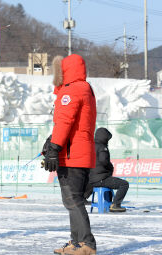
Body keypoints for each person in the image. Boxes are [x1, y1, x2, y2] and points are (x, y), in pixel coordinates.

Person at [44, 54, 97, 255]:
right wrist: (52, 140)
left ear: (64, 72)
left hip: (72, 154)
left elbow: (65, 121)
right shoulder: (85, 88)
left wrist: (54, 148)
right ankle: (76, 243)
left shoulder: (72, 90)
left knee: (73, 200)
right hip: (80, 152)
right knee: (73, 200)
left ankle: (86, 244)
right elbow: (72, 124)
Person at [83, 127, 129, 212]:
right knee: (124, 184)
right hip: (101, 179)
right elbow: (104, 161)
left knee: (95, 180)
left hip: (92, 178)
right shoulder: (102, 148)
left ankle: (83, 198)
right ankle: (115, 205)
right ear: (104, 138)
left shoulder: (90, 146)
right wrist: (110, 167)